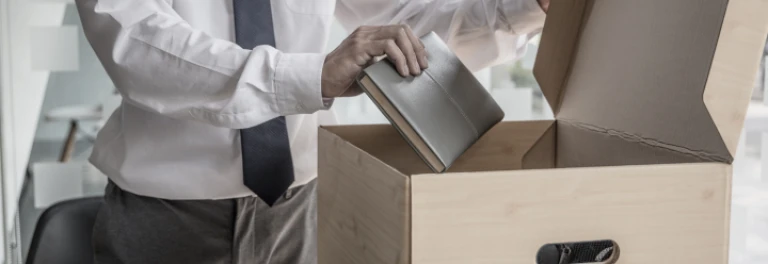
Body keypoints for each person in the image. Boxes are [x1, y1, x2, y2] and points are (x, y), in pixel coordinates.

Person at [75, 0, 549, 263]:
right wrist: (311, 76)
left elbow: (404, 18)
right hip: (168, 219)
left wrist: (522, 8)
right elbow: (136, 42)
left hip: (301, 209)